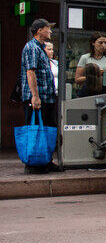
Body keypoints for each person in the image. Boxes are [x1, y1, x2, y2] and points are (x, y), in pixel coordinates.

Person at [20, 18, 60, 174]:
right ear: (39, 30)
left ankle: (46, 160)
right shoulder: (31, 47)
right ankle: (33, 164)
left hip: (48, 97)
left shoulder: (41, 48)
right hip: (38, 98)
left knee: (49, 129)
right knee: (35, 130)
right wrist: (35, 96)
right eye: (47, 28)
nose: (50, 31)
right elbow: (31, 72)